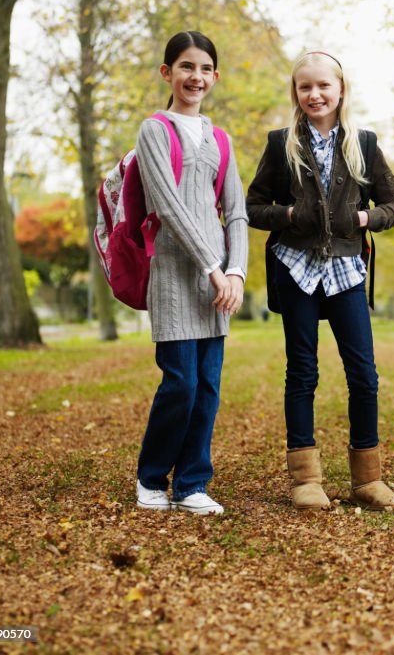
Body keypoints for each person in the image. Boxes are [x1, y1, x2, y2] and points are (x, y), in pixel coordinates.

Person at [246, 51, 394, 511]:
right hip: (296, 269)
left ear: (340, 90)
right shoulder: (282, 144)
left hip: (346, 272)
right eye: (304, 87)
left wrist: (363, 217)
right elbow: (254, 206)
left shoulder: (365, 144)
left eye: (323, 86)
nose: (314, 94)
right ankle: (305, 480)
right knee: (302, 372)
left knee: (364, 375)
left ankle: (368, 480)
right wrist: (290, 213)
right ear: (296, 93)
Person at [135, 31, 248, 516]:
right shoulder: (155, 129)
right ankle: (152, 477)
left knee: (207, 388)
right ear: (167, 73)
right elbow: (169, 206)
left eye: (204, 69)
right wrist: (211, 268)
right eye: (185, 67)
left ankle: (192, 483)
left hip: (218, 285)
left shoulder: (220, 138)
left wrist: (237, 271)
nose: (195, 77)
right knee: (179, 382)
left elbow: (236, 211)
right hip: (178, 279)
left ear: (215, 77)